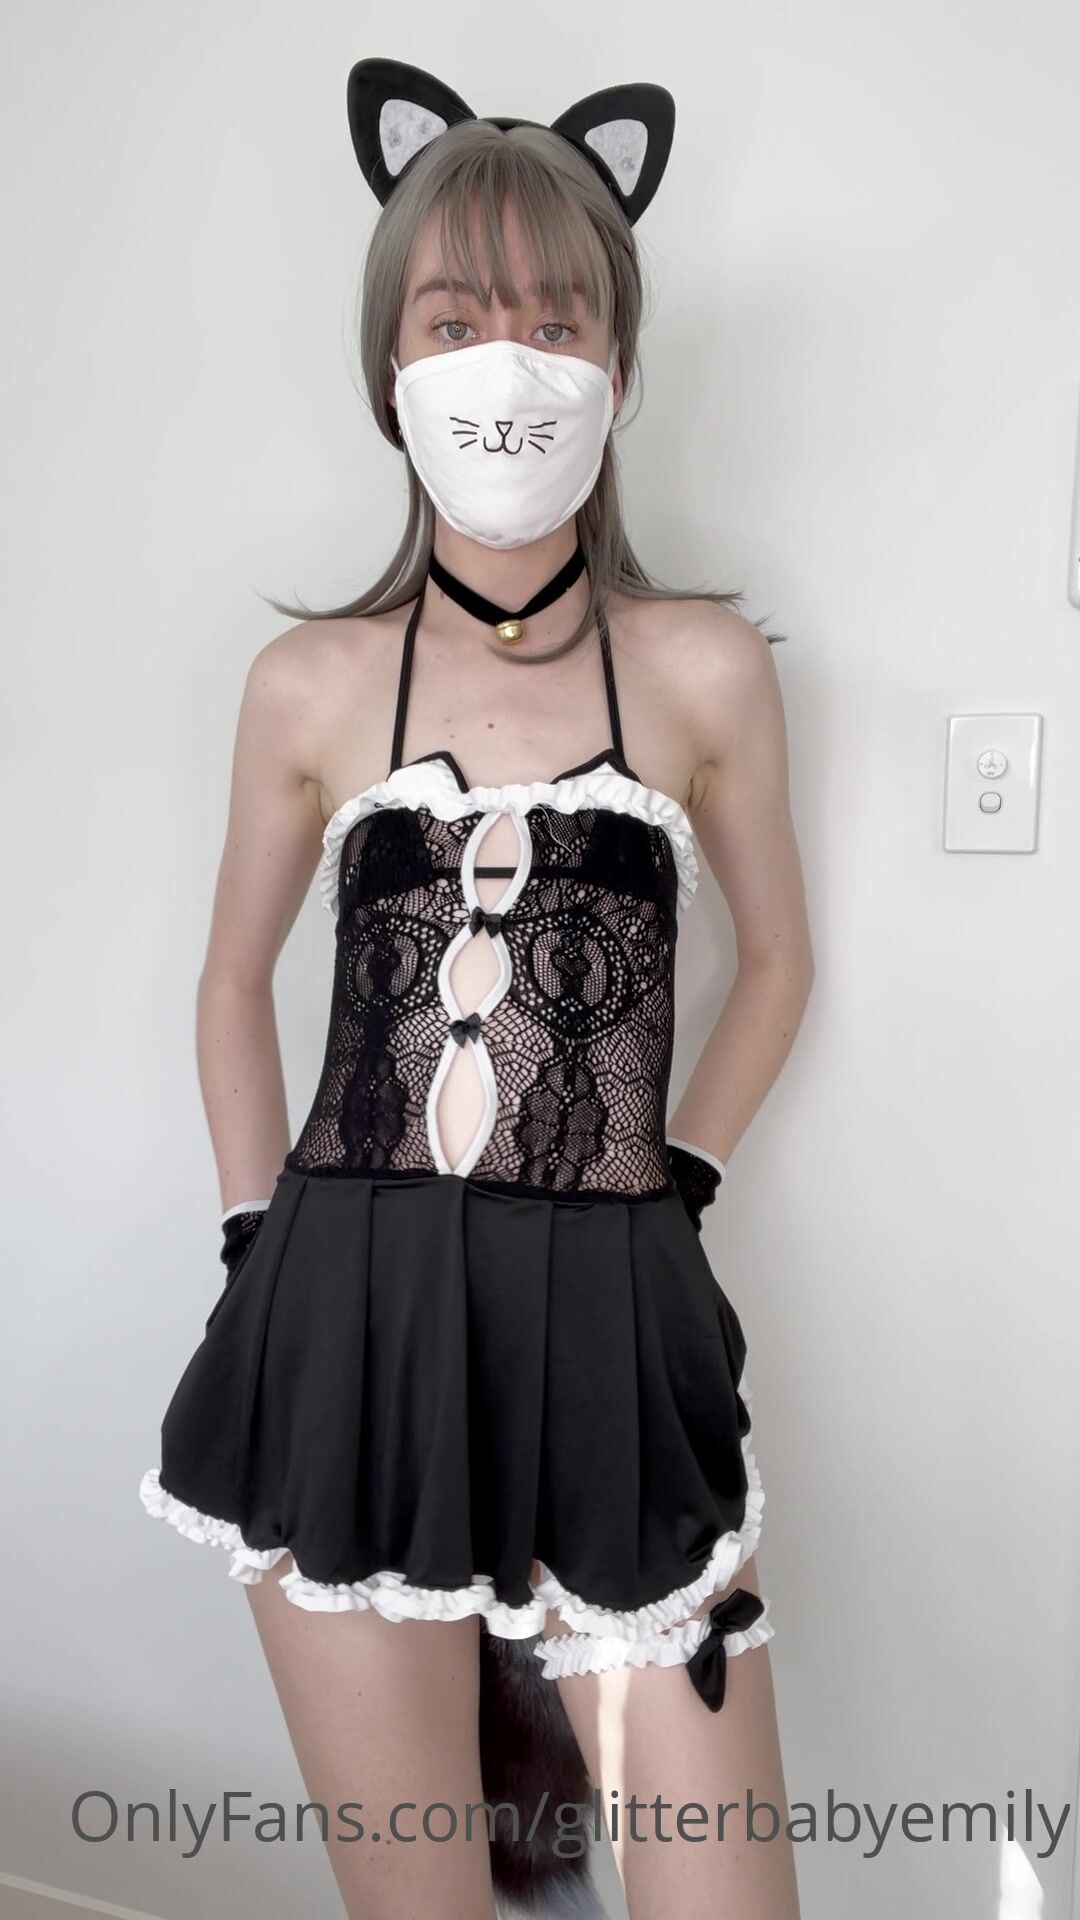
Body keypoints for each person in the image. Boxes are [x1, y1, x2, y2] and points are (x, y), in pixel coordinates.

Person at [138, 56, 814, 1920]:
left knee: (721, 1893)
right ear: (391, 365)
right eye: (455, 318)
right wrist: (253, 1246)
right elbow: (228, 981)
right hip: (340, 1326)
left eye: (553, 317)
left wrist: (679, 1185)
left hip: (615, 1324)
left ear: (617, 359)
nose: (503, 359)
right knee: (424, 1903)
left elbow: (779, 961)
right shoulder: (307, 685)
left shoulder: (702, 670)